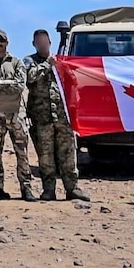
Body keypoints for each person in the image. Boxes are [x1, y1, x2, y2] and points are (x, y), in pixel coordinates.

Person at [24, 28, 89, 202]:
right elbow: (29, 77)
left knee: (67, 155)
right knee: (46, 157)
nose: (42, 44)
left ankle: (72, 188)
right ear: (34, 44)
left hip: (63, 118)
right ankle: (49, 190)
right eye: (39, 42)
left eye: (45, 41)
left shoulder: (62, 61)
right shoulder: (31, 61)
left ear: (50, 43)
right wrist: (47, 65)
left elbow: (75, 83)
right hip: (42, 119)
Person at [0, 29, 34, 201]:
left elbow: (20, 85)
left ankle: (26, 188)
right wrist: (7, 85)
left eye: (2, 40)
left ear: (7, 42)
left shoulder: (17, 62)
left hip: (16, 114)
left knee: (22, 152)